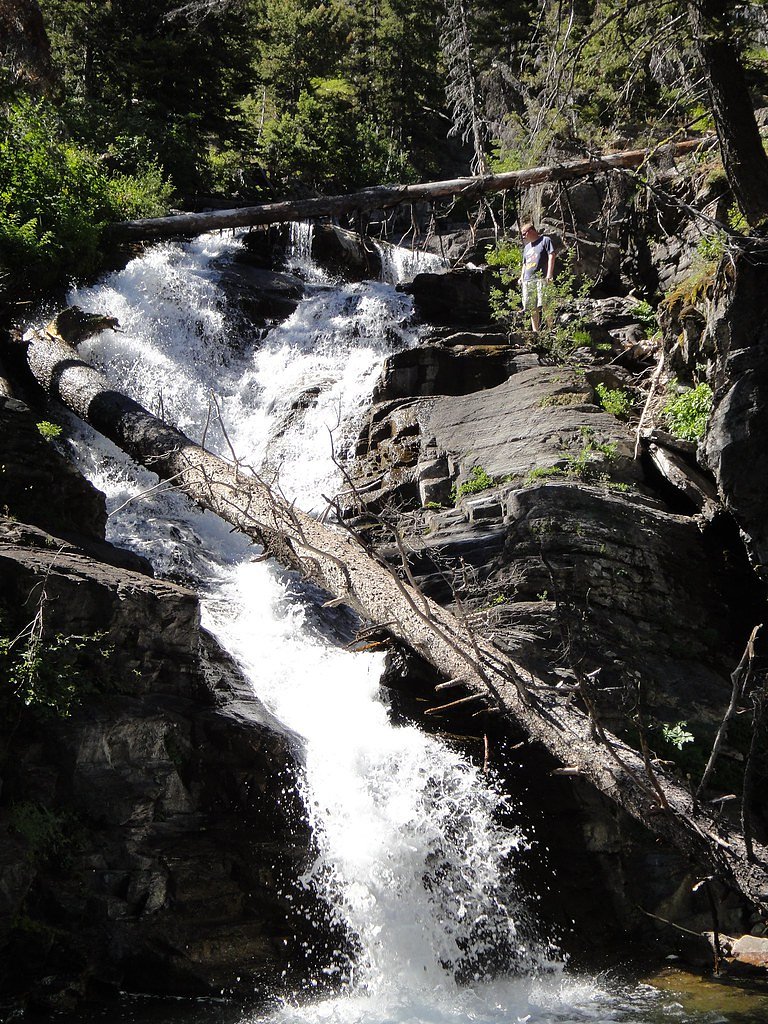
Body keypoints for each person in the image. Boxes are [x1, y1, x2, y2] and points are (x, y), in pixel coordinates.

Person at [519, 222, 556, 332]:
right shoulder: (526, 248)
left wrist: (549, 274)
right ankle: (535, 331)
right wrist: (521, 277)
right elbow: (524, 264)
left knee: (545, 304)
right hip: (528, 280)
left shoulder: (545, 240)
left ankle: (551, 329)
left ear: (530, 231)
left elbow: (551, 255)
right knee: (531, 307)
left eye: (524, 234)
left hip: (541, 278)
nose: (523, 237)